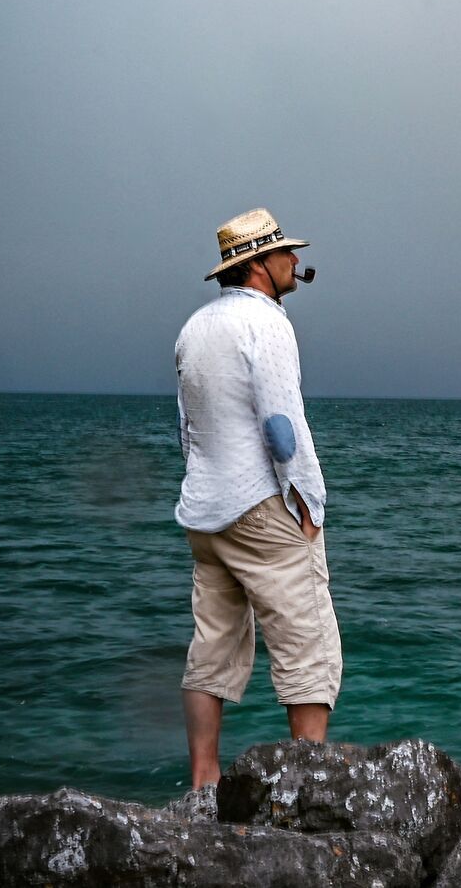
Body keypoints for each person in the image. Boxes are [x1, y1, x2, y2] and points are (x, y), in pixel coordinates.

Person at [173, 207, 339, 790]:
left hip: (203, 510)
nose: (296, 260)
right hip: (261, 506)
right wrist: (309, 503)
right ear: (259, 266)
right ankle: (308, 786)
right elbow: (280, 424)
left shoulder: (193, 329)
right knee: (306, 641)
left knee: (212, 644)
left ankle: (202, 784)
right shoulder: (266, 323)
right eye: (285, 253)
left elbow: (186, 429)